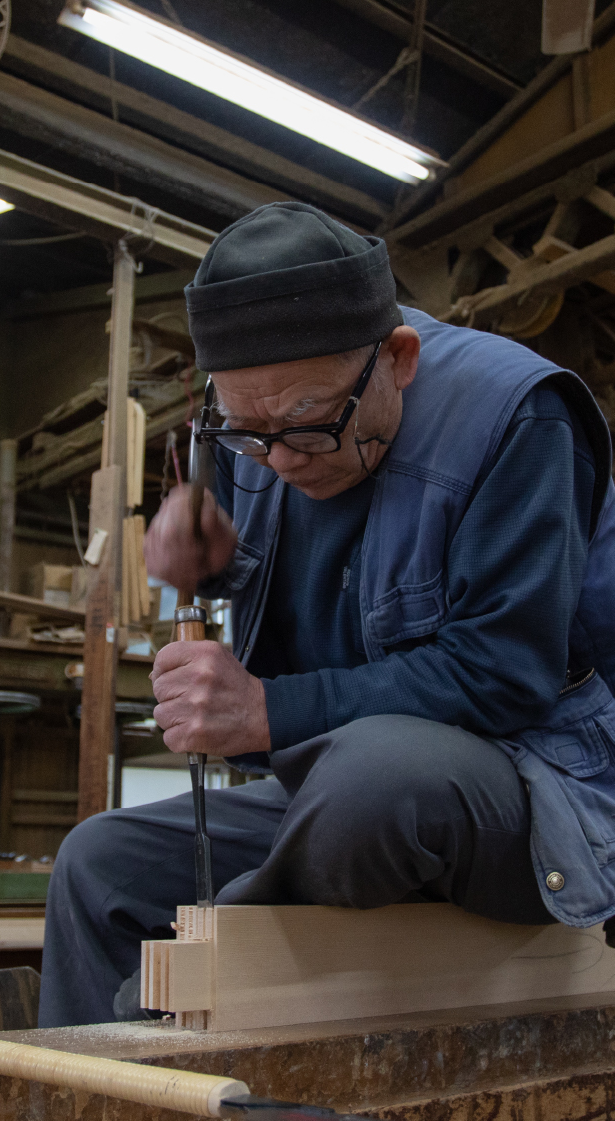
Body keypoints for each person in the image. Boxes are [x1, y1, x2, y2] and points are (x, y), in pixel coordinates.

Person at [39, 201, 615, 1029]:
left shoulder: (516, 415)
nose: (277, 459)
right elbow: (288, 563)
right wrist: (206, 560)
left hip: (544, 791)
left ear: (399, 360)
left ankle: (176, 990)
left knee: (374, 778)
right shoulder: (254, 425)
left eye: (307, 428)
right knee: (98, 861)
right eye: (250, 432)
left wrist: (266, 711)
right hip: (329, 787)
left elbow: (504, 674)